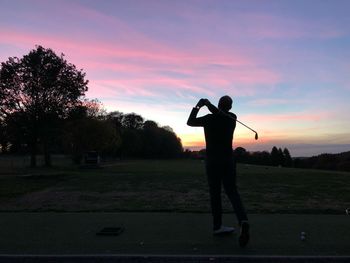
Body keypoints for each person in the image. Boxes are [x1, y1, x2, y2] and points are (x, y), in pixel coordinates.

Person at [187, 96, 250, 247]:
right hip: (228, 161)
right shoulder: (232, 118)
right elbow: (219, 114)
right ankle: (243, 221)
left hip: (212, 161)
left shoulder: (211, 118)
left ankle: (217, 226)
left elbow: (190, 122)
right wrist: (207, 105)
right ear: (231, 107)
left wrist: (199, 106)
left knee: (215, 194)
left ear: (219, 104)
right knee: (232, 192)